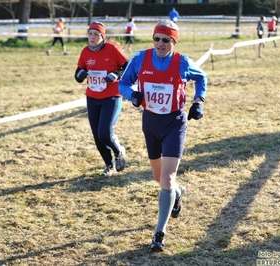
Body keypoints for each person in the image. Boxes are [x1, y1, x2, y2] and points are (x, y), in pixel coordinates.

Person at [118, 20, 207, 252]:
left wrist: (198, 102)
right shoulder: (140, 58)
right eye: (156, 38)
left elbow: (201, 78)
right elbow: (123, 83)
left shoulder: (182, 62)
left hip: (174, 123)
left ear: (173, 42)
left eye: (165, 40)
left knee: (166, 179)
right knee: (160, 179)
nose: (160, 43)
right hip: (150, 122)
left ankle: (160, 232)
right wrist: (132, 95)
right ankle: (178, 192)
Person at [74, 21, 129, 177]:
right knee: (97, 135)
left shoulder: (113, 49)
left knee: (104, 132)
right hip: (92, 97)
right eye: (90, 34)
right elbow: (78, 73)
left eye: (96, 34)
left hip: (111, 96)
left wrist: (116, 74)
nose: (92, 37)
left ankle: (119, 151)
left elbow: (128, 66)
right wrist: (81, 74)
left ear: (102, 36)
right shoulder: (85, 52)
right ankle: (109, 165)